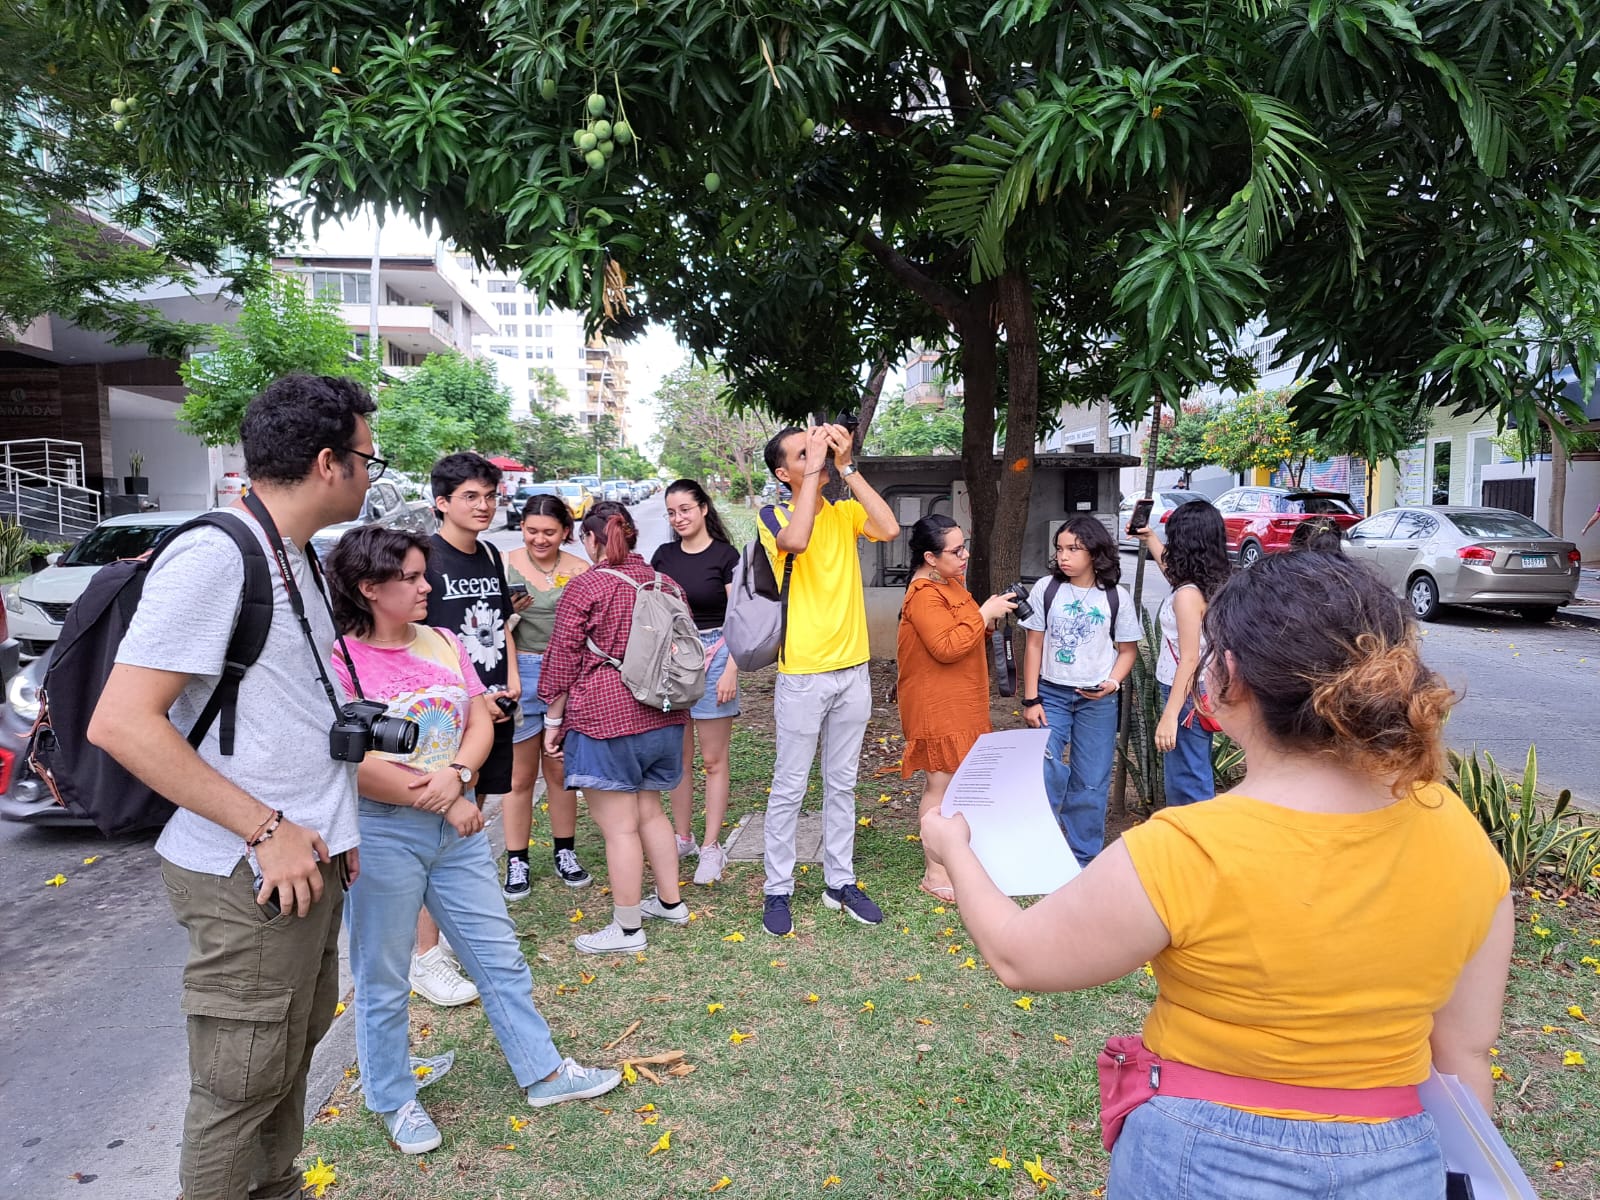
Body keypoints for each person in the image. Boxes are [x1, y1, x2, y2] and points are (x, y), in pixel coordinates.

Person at [923, 550, 1512, 1199]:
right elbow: (1463, 1056)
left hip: (1201, 1158)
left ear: (1227, 676)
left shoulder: (1189, 848)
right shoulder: (1459, 833)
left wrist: (952, 846)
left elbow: (1019, 957)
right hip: (1401, 1157)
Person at [87, 374, 376, 1200]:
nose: (369, 472)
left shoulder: (295, 557)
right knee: (237, 1085)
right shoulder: (218, 554)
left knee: (284, 1063)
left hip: (306, 864)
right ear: (329, 462)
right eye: (366, 456)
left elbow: (284, 715)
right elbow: (124, 722)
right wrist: (264, 829)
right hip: (246, 871)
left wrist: (332, 832)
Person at [324, 526, 620, 1156]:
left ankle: (542, 1073)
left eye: (422, 572)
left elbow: (481, 716)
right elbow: (349, 761)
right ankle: (393, 1095)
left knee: (498, 956)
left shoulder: (445, 640)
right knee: (381, 976)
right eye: (410, 576)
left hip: (453, 828)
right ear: (369, 588)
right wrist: (443, 798)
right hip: (381, 834)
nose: (427, 585)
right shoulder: (339, 660)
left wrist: (458, 777)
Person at [757, 424, 900, 936]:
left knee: (842, 784)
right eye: (801, 454)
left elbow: (888, 529)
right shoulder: (772, 515)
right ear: (783, 472)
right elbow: (795, 540)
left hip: (852, 670)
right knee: (790, 786)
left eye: (813, 448)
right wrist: (818, 470)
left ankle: (840, 880)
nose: (813, 454)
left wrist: (847, 468)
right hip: (802, 675)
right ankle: (779, 887)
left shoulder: (845, 512)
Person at [539, 502, 692, 953]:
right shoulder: (668, 583)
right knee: (651, 811)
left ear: (591, 539)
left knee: (619, 828)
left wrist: (553, 720)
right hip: (664, 716)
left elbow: (562, 658)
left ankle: (627, 929)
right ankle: (670, 902)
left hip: (606, 717)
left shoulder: (587, 586)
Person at [409, 452, 524, 1006]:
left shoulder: (490, 554)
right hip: (442, 717)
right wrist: (469, 701)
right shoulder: (423, 558)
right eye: (471, 497)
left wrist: (510, 684)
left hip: (491, 709)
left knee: (463, 826)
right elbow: (411, 643)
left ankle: (445, 942)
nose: (483, 506)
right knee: (432, 829)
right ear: (441, 502)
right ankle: (425, 957)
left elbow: (500, 626)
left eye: (490, 496)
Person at [895, 515, 1017, 902]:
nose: (965, 555)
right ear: (930, 557)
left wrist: (987, 618)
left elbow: (964, 629)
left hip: (963, 698)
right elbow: (946, 647)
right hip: (936, 701)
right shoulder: (923, 594)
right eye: (956, 550)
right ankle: (935, 871)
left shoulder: (950, 583)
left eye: (964, 546)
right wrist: (984, 613)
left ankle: (956, 857)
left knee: (959, 781)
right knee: (940, 782)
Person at [1018, 516, 1141, 866]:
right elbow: (1033, 646)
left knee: (1091, 782)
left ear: (1094, 552)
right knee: (1046, 768)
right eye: (1060, 549)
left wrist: (1112, 683)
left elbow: (1127, 650)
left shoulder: (1116, 596)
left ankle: (1082, 859)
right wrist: (1031, 698)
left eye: (1073, 549)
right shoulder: (1047, 588)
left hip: (1097, 702)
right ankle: (1040, 849)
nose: (1064, 556)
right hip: (1051, 695)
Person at [650, 479, 741, 885]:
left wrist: (731, 669)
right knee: (678, 759)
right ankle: (682, 837)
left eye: (685, 509)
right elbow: (653, 611)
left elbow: (741, 616)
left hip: (718, 650)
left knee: (712, 760)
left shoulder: (725, 556)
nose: (678, 518)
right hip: (674, 658)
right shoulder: (664, 556)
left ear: (704, 508)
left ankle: (710, 846)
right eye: (671, 512)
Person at [501, 493, 592, 897]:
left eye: (549, 532)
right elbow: (488, 627)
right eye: (532, 531)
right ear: (521, 528)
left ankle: (564, 852)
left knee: (559, 773)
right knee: (519, 777)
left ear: (565, 532)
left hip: (564, 677)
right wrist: (509, 615)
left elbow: (590, 630)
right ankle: (516, 859)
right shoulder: (503, 565)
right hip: (519, 674)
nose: (540, 539)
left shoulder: (580, 571)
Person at [1133, 501, 1231, 807]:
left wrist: (1169, 716)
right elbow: (1177, 579)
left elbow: (1189, 658)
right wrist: (1150, 538)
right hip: (1204, 688)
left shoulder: (1188, 595)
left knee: (1186, 782)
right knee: (1193, 773)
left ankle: (1198, 849)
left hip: (1185, 693)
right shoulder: (1211, 583)